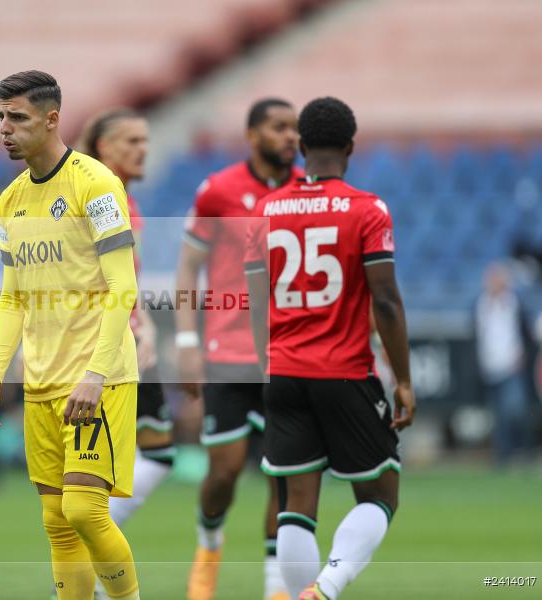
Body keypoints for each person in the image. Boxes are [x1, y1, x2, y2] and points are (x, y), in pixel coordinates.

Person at [0, 71, 140, 600]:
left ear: (51, 119)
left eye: (17, 117)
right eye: (0, 116)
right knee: (56, 520)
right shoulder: (11, 200)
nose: (4, 128)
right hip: (41, 382)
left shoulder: (96, 184)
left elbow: (123, 287)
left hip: (99, 378)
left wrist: (95, 373)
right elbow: (13, 297)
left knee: (83, 508)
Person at [244, 96, 415, 600]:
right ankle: (327, 588)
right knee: (381, 492)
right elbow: (384, 299)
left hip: (282, 372)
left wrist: (265, 368)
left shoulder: (265, 210)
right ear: (350, 147)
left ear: (299, 144)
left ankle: (308, 593)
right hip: (343, 370)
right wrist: (403, 380)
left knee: (296, 501)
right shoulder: (367, 209)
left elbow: (254, 304)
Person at [176, 98, 300, 600]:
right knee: (224, 472)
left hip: (290, 353)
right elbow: (187, 266)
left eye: (295, 128)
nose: (290, 136)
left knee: (283, 474)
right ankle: (209, 542)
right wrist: (186, 339)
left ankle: (275, 585)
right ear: (252, 136)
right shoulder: (219, 191)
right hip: (227, 351)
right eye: (278, 127)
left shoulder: (307, 193)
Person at [78, 109, 175, 597]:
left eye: (146, 139)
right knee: (107, 464)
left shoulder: (123, 200)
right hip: (104, 347)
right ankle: (84, 566)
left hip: (129, 338)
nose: (143, 148)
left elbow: (125, 276)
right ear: (103, 147)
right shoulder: (99, 196)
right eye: (131, 140)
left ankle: (85, 564)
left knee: (154, 451)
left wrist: (148, 322)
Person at [474, 263, 533, 465]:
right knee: (497, 415)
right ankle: (503, 456)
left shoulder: (514, 303)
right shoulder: (481, 304)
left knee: (515, 410)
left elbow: (525, 331)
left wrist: (522, 353)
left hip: (511, 364)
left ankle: (522, 451)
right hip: (490, 366)